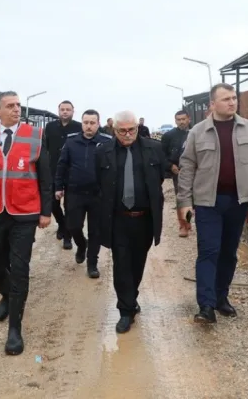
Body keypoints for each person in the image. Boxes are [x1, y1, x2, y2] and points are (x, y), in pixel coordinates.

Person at [176, 83, 248, 324]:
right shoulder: (198, 132)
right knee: (209, 251)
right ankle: (206, 306)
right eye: (226, 99)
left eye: (234, 98)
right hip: (208, 202)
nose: (232, 102)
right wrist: (184, 202)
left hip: (238, 201)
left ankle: (220, 298)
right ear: (212, 104)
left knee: (228, 253)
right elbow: (187, 168)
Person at [0, 91, 52, 355]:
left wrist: (46, 211)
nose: (17, 109)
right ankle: (6, 294)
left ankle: (15, 328)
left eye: (18, 105)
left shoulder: (35, 135)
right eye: (10, 106)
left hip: (25, 213)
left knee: (19, 268)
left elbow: (45, 177)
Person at [94, 110, 170, 334]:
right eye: (122, 131)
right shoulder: (103, 152)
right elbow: (99, 183)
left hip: (144, 219)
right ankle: (125, 311)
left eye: (132, 130)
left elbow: (160, 179)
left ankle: (131, 297)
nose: (127, 134)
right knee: (121, 264)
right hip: (118, 219)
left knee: (137, 263)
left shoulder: (154, 149)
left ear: (137, 128)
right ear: (114, 130)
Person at [54, 109, 111, 278]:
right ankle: (81, 244)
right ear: (82, 123)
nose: (89, 126)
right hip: (75, 192)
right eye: (86, 123)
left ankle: (92, 264)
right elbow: (62, 165)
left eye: (92, 123)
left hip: (98, 194)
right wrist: (58, 186)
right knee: (72, 226)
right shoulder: (71, 141)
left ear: (98, 124)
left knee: (95, 231)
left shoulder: (107, 142)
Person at [43, 101, 82, 251]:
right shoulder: (50, 127)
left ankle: (67, 236)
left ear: (73, 111)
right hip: (53, 171)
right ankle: (61, 223)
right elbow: (45, 147)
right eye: (62, 109)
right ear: (58, 111)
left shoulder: (79, 127)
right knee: (53, 203)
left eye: (68, 109)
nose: (65, 112)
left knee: (69, 206)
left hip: (73, 171)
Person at [161, 110, 192, 237]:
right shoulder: (168, 136)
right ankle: (184, 225)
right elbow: (161, 155)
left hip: (198, 171)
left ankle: (198, 223)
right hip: (179, 172)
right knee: (183, 199)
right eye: (178, 119)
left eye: (183, 119)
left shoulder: (196, 133)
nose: (181, 122)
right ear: (175, 121)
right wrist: (170, 166)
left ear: (189, 119)